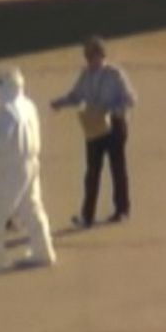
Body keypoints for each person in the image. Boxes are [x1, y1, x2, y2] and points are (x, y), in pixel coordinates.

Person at [0, 68, 56, 273]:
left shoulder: (6, 111)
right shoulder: (29, 105)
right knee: (32, 208)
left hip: (12, 167)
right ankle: (43, 251)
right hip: (32, 163)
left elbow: (0, 142)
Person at [50, 36, 137, 227]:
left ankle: (122, 210)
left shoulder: (115, 74)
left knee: (117, 169)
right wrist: (60, 103)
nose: (91, 61)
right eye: (88, 57)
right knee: (92, 172)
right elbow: (75, 96)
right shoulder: (85, 75)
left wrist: (110, 109)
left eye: (93, 56)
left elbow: (130, 100)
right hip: (94, 126)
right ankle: (87, 215)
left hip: (115, 125)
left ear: (101, 55)